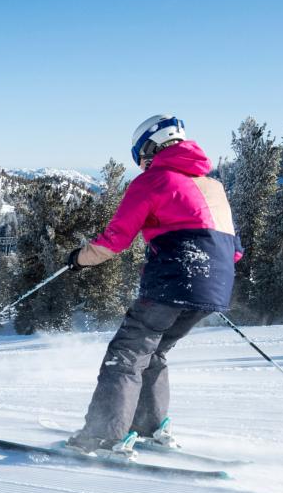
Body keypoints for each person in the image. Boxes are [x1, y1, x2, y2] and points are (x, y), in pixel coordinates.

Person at [64, 115, 241, 459]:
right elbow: (234, 251)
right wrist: (207, 284)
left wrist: (79, 259)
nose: (141, 163)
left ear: (153, 146)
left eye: (141, 154)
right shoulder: (214, 187)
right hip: (216, 287)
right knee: (153, 352)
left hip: (174, 280)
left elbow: (115, 240)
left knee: (127, 354)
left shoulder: (153, 181)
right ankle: (148, 426)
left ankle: (101, 436)